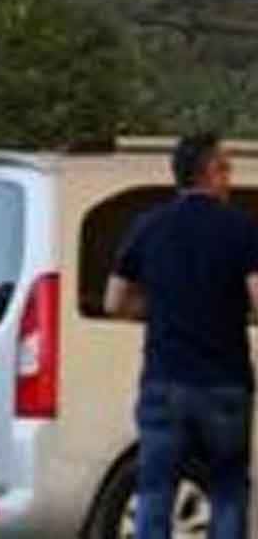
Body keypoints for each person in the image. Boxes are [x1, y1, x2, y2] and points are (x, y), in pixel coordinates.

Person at [106, 133, 258, 539]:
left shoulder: (148, 227)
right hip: (225, 383)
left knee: (155, 490)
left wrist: (161, 309)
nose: (229, 178)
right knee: (227, 489)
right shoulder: (241, 229)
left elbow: (114, 301)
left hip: (164, 380)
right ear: (211, 172)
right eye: (226, 168)